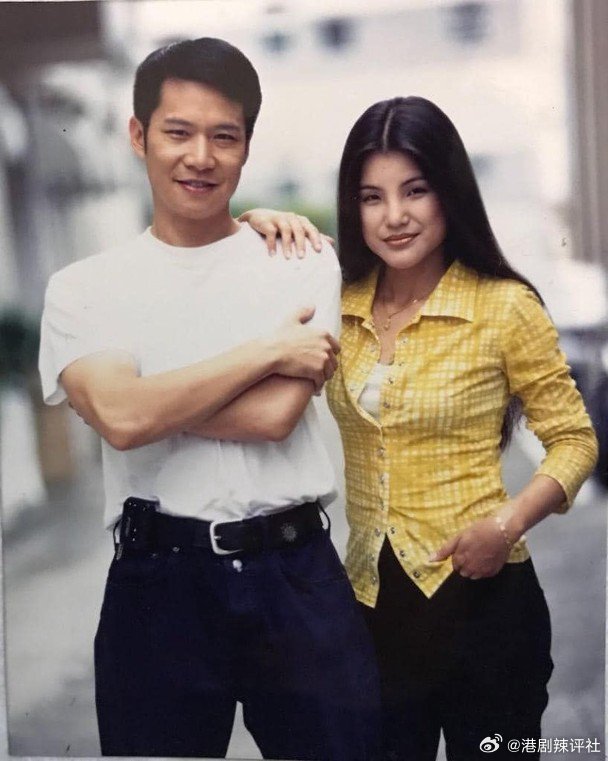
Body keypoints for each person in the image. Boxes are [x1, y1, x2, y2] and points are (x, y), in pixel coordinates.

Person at [38, 37, 381, 760]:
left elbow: (273, 416)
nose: (200, 157)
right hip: (157, 584)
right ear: (138, 136)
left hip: (294, 576)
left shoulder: (299, 259)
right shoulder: (83, 288)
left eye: (224, 137)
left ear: (246, 147)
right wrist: (267, 352)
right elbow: (124, 419)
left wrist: (144, 395)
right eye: (178, 132)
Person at [240, 96, 598, 760]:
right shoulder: (336, 301)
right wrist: (254, 221)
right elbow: (235, 266)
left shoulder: (504, 306)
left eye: (415, 190)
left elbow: (575, 440)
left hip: (487, 603)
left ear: (449, 192)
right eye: (371, 197)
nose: (394, 216)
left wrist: (505, 527)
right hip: (372, 610)